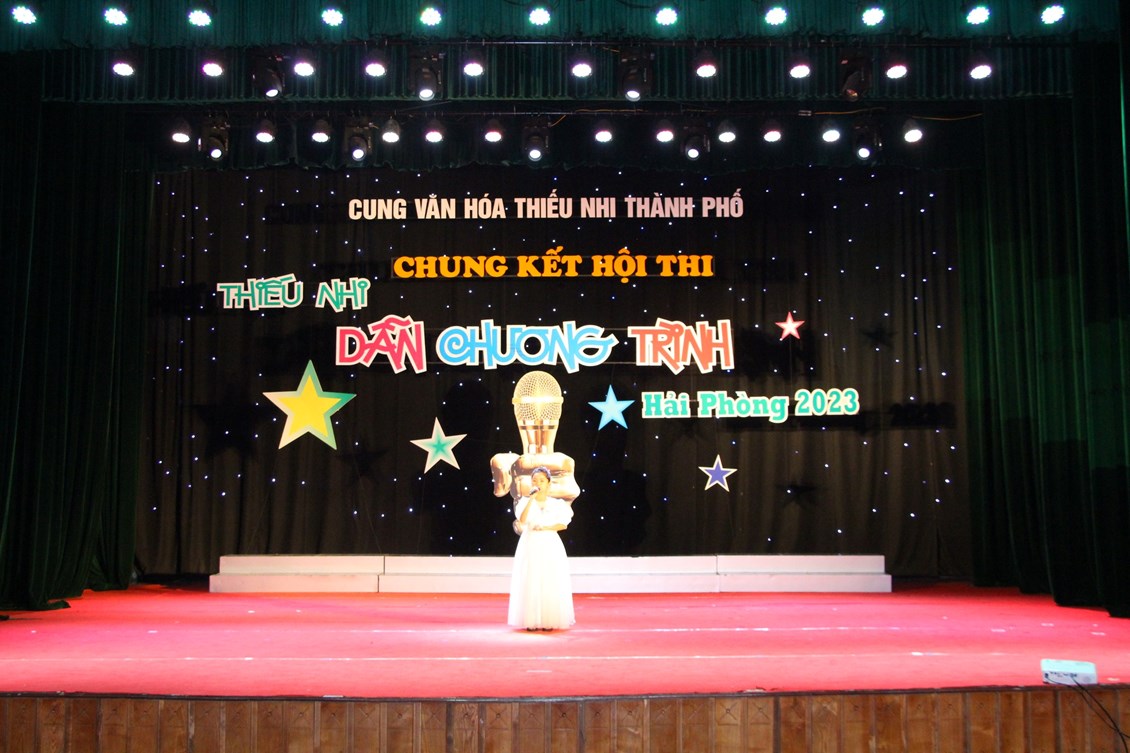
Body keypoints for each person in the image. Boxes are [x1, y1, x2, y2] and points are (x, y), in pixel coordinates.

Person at [508, 466, 575, 631]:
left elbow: (563, 524)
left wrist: (546, 527)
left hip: (549, 542)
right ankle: (531, 620)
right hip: (530, 542)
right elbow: (522, 520)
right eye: (535, 480)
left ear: (548, 483)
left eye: (541, 480)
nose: (538, 483)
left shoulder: (557, 504)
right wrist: (531, 499)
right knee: (531, 578)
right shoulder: (524, 501)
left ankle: (548, 619)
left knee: (549, 579)